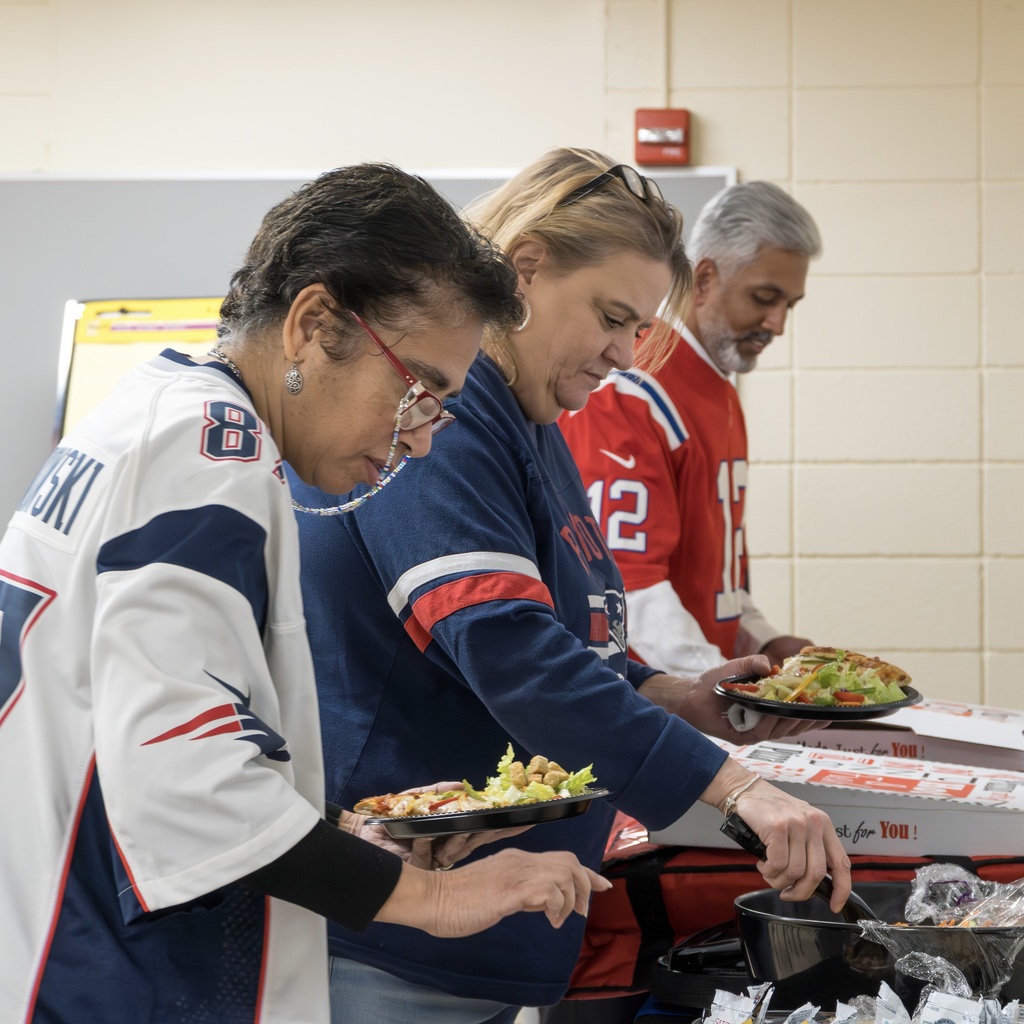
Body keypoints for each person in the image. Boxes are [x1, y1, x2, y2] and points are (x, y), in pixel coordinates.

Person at [0, 164, 609, 1024]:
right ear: (313, 324)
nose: (425, 440)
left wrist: (341, 834)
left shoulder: (151, 406)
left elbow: (143, 719)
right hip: (112, 972)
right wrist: (429, 900)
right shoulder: (210, 453)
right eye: (419, 388)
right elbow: (191, 784)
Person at [289, 149, 852, 1024]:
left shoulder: (533, 417)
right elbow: (509, 649)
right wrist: (737, 785)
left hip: (478, 928)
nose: (626, 355)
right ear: (525, 269)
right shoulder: (450, 412)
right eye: (613, 317)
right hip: (393, 935)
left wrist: (671, 695)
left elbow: (571, 638)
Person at [561, 181, 821, 679]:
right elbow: (627, 588)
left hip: (696, 689)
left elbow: (711, 570)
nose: (778, 323)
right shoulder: (633, 387)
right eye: (765, 297)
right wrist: (723, 684)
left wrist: (761, 637)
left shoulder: (719, 385)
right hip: (644, 701)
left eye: (791, 304)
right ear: (703, 278)